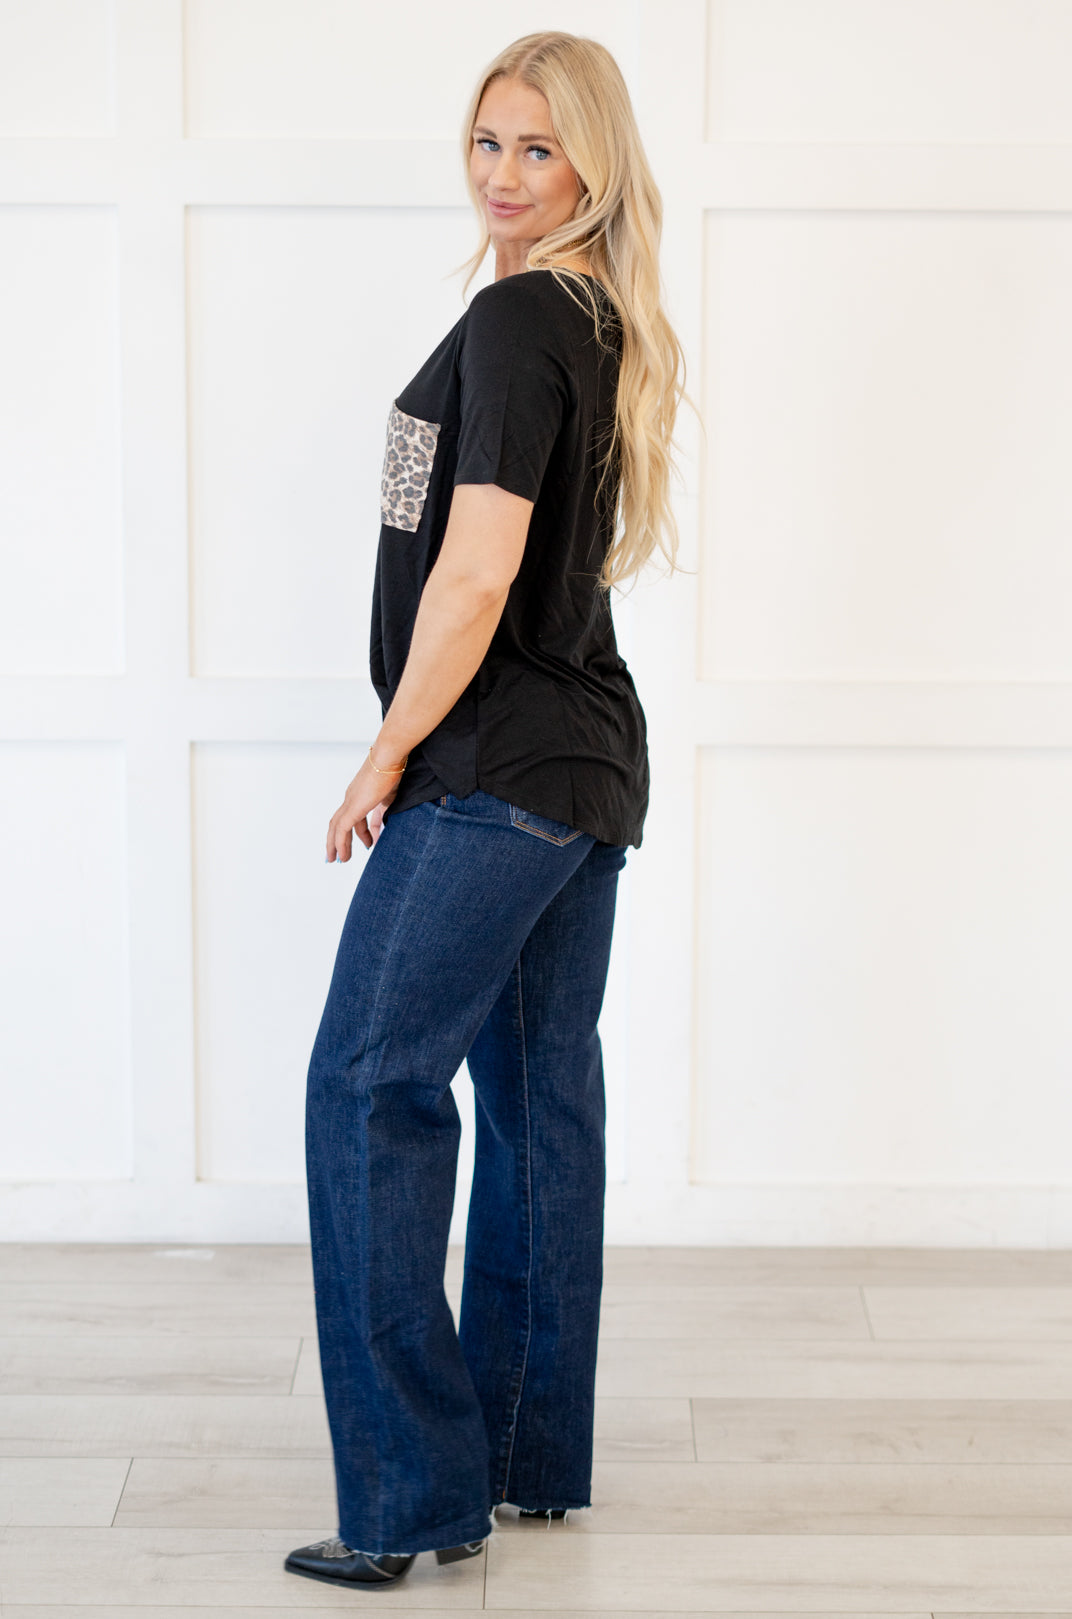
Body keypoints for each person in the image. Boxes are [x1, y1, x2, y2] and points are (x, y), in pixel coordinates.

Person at [284, 28, 685, 1593]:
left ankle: (408, 1498)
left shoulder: (524, 316)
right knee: (536, 1102)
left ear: (593, 164)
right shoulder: (589, 315)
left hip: (495, 771)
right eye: (487, 142)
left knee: (367, 1089)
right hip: (583, 772)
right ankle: (518, 1460)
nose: (505, 174)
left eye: (539, 148)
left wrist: (387, 753)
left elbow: (474, 572)